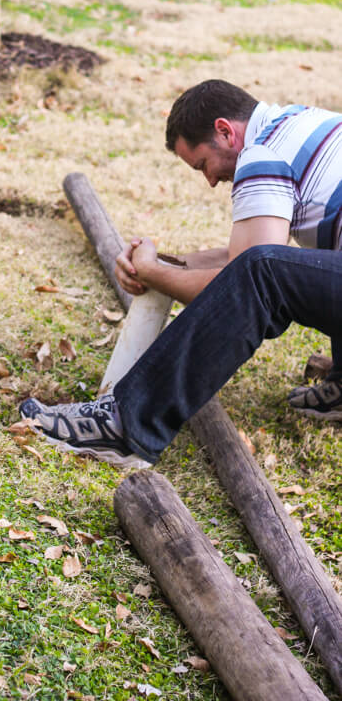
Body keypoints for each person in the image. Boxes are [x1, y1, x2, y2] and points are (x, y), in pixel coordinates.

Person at [19, 80, 342, 467]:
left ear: (225, 131)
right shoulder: (301, 123)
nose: (209, 180)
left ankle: (125, 426)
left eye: (203, 164)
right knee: (288, 265)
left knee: (264, 273)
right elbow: (254, 258)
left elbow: (248, 278)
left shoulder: (262, 153)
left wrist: (155, 276)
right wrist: (172, 263)